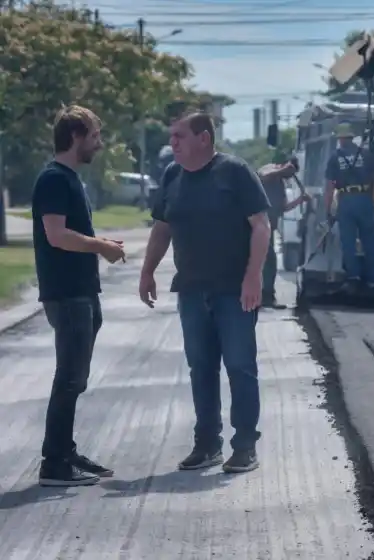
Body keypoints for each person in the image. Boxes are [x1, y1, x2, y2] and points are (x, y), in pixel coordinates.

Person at [139, 112, 272, 474]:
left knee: (240, 367)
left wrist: (253, 277)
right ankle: (207, 444)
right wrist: (147, 271)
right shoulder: (172, 175)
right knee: (201, 369)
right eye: (172, 136)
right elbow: (162, 229)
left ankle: (244, 446)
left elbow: (261, 226)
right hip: (192, 291)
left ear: (204, 139)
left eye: (180, 136)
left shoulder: (234, 171)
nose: (173, 143)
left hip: (234, 291)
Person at [32, 105, 126, 487]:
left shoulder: (68, 178)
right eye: (95, 136)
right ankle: (55, 463)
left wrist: (100, 243)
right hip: (67, 294)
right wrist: (100, 246)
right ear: (76, 136)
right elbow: (56, 235)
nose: (99, 144)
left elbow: (70, 233)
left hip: (81, 292)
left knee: (75, 378)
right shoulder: (54, 179)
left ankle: (63, 451)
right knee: (69, 379)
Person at [324, 122, 374, 292]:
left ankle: (353, 277)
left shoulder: (335, 158)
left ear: (340, 139)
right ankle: (373, 279)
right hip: (365, 199)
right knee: (370, 241)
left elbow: (329, 187)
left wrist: (328, 210)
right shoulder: (366, 154)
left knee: (348, 242)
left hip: (346, 200)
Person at [257, 160, 310, 308]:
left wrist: (300, 200)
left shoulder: (280, 184)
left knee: (267, 262)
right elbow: (263, 175)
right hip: (259, 224)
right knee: (268, 261)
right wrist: (283, 170)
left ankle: (265, 296)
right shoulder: (270, 168)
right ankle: (265, 296)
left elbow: (284, 207)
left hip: (270, 227)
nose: (289, 176)